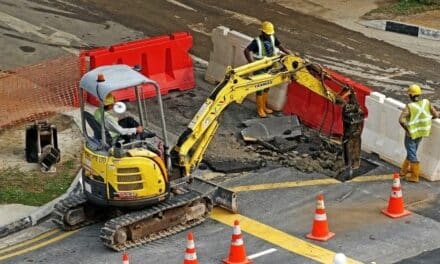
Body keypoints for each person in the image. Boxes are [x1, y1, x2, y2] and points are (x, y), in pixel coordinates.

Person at [244, 21, 293, 118]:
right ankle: (260, 109)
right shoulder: (256, 42)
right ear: (262, 32)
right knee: (260, 89)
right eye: (267, 34)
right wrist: (251, 63)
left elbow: (281, 47)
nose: (269, 35)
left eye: (270, 34)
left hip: (270, 67)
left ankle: (264, 106)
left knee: (267, 87)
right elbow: (246, 50)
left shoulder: (272, 38)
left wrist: (289, 54)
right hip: (260, 68)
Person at [399, 84, 439, 182]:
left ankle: (415, 176)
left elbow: (401, 120)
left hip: (411, 134)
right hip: (422, 132)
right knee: (412, 151)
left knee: (412, 153)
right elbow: (435, 115)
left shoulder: (409, 107)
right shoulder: (426, 102)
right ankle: (404, 170)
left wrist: (408, 129)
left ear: (410, 95)